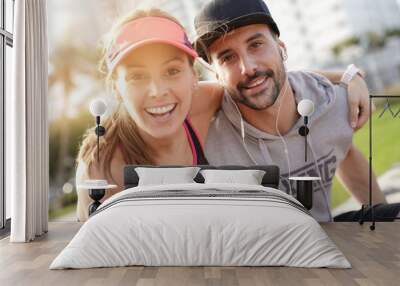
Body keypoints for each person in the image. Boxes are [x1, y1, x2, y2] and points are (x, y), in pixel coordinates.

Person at [75, 8, 372, 222]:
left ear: (194, 77)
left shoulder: (199, 102)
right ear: (117, 88)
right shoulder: (101, 165)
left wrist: (347, 76)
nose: (157, 91)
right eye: (137, 77)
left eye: (172, 71)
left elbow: (265, 78)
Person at [193, 0, 400, 221]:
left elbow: (345, 150)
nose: (248, 68)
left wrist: (385, 231)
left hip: (326, 235)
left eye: (255, 44)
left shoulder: (329, 102)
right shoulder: (208, 137)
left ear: (282, 49)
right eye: (227, 58)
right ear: (215, 75)